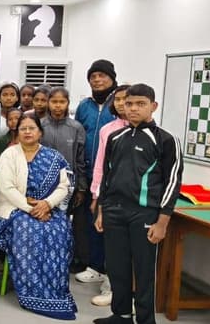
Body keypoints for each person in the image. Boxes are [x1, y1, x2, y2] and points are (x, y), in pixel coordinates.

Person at [94, 83, 183, 324]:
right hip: (114, 212)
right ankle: (121, 315)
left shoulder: (166, 140)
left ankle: (145, 320)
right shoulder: (115, 137)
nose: (133, 108)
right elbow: (107, 176)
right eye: (129, 103)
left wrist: (162, 222)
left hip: (144, 214)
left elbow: (172, 183)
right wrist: (101, 210)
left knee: (144, 272)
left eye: (140, 104)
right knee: (117, 268)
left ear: (153, 106)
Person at [0, 114, 77, 320]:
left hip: (47, 209)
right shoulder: (9, 155)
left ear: (40, 132)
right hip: (14, 209)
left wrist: (47, 204)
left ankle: (55, 291)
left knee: (60, 230)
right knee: (29, 230)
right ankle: (32, 292)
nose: (27, 132)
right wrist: (30, 209)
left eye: (32, 128)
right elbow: (7, 188)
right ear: (17, 133)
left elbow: (64, 185)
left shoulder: (53, 156)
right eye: (23, 129)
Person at [74, 60, 118, 285]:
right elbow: (78, 137)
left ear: (112, 78)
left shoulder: (119, 103)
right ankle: (93, 265)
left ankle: (111, 271)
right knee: (88, 222)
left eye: (102, 76)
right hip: (88, 172)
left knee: (108, 223)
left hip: (112, 177)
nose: (97, 80)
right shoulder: (84, 106)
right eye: (93, 76)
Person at [89, 84, 129, 307]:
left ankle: (125, 289)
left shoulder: (148, 131)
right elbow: (100, 164)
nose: (122, 104)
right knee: (110, 240)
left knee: (128, 246)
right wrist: (96, 194)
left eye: (127, 99)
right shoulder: (108, 129)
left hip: (134, 197)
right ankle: (110, 284)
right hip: (109, 193)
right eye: (118, 99)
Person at [41, 87, 87, 212]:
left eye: (62, 102)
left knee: (63, 217)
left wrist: (81, 187)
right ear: (48, 102)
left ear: (68, 103)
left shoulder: (76, 128)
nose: (58, 105)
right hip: (41, 182)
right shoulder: (40, 126)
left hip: (67, 184)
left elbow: (80, 160)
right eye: (54, 102)